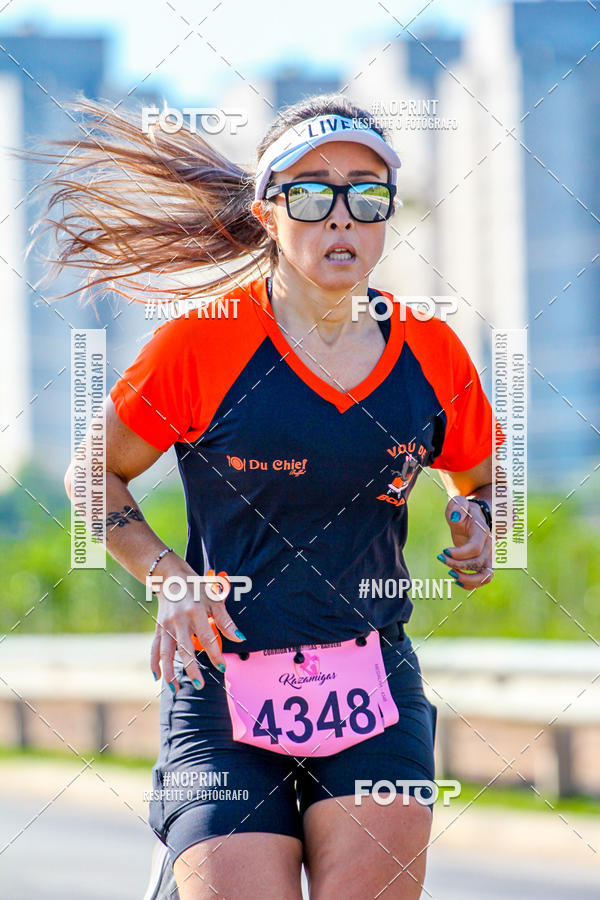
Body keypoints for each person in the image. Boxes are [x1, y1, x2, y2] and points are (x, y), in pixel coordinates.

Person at [50, 94, 502, 899]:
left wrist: (483, 525)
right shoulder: (203, 342)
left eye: (366, 194)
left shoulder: (431, 349)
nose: (342, 218)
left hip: (373, 686)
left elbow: (485, 477)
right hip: (222, 686)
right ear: (267, 212)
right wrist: (168, 574)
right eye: (310, 193)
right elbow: (90, 474)